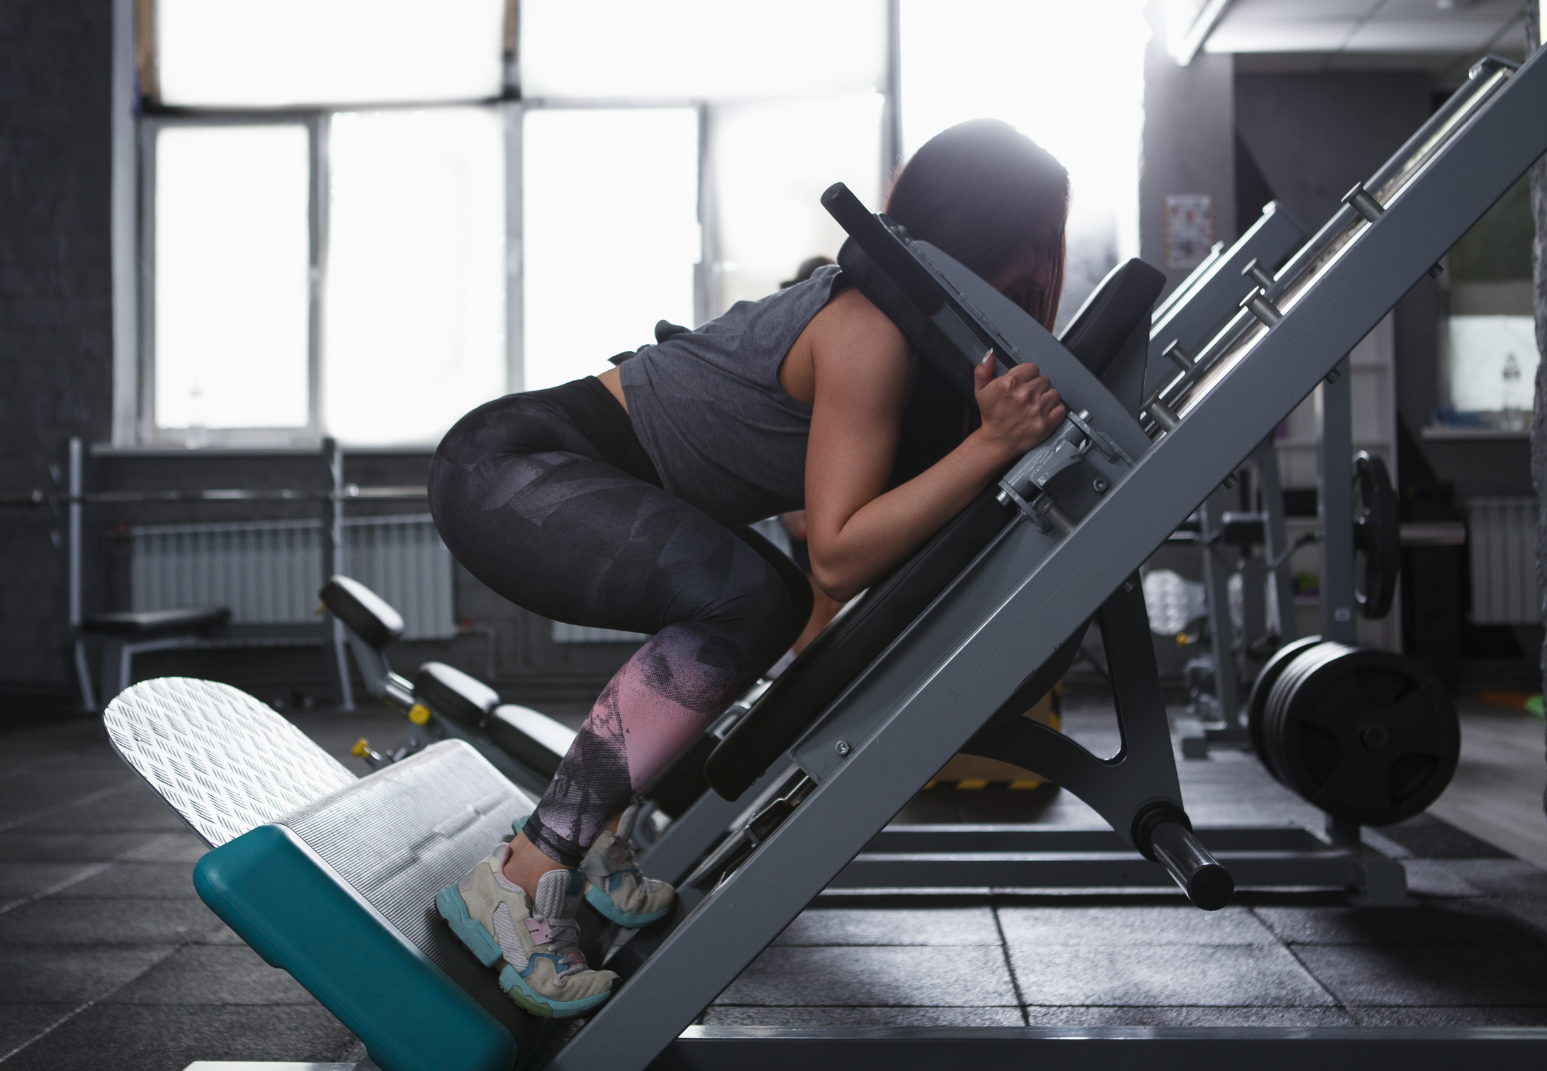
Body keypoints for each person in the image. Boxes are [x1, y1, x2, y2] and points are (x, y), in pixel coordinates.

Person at [428, 118, 1071, 1018]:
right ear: (1014, 238)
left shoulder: (908, 333)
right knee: (746, 597)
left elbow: (820, 534)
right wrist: (994, 444)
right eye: (1046, 240)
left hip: (543, 474)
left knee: (746, 598)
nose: (1049, 264)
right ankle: (521, 873)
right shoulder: (870, 327)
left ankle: (595, 835)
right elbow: (840, 555)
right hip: (513, 472)